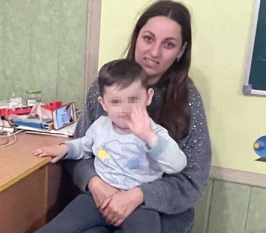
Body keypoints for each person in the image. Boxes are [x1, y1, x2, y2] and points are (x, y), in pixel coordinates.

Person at [47, 1, 212, 232]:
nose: (154, 52)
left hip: (160, 210)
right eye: (148, 38)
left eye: (169, 44)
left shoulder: (188, 100)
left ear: (180, 52)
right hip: (100, 197)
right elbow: (83, 148)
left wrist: (137, 195)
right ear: (136, 39)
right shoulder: (105, 86)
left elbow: (192, 179)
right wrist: (96, 184)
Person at [34, 59, 187, 232]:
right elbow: (84, 146)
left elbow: (178, 164)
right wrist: (65, 148)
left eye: (133, 99)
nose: (124, 108)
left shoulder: (155, 133)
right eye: (115, 101)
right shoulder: (100, 126)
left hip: (138, 206)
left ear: (148, 97)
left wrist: (149, 137)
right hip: (96, 199)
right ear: (103, 103)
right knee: (56, 228)